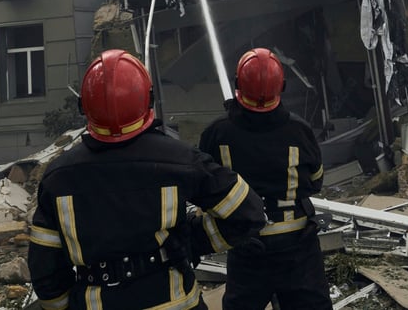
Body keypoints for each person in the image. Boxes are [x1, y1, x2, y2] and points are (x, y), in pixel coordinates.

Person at [28, 49, 267, 310]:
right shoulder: (180, 159)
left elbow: (45, 272)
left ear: (84, 105)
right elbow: (248, 212)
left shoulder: (57, 178)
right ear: (147, 99)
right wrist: (192, 240)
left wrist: (65, 305)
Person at [198, 48, 332, 310]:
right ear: (280, 86)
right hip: (298, 248)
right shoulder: (300, 130)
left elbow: (204, 188)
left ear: (238, 84)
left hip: (247, 245)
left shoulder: (217, 133)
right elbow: (315, 181)